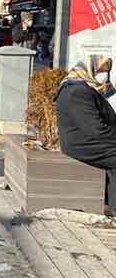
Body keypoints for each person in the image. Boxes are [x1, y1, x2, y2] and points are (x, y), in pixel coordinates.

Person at [56, 56, 116, 206]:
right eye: (101, 71)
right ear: (89, 69)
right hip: (82, 144)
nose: (103, 76)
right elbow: (96, 129)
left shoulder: (76, 85)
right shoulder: (78, 91)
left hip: (83, 140)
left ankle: (110, 201)